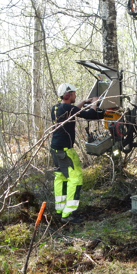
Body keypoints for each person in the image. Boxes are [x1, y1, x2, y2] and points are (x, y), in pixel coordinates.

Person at [50, 83, 102, 224]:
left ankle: (60, 209)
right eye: (73, 93)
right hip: (66, 151)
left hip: (55, 149)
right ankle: (68, 214)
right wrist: (95, 102)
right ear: (68, 95)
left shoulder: (56, 108)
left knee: (60, 178)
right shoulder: (68, 108)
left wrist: (85, 102)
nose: (75, 95)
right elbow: (90, 115)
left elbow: (73, 110)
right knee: (76, 179)